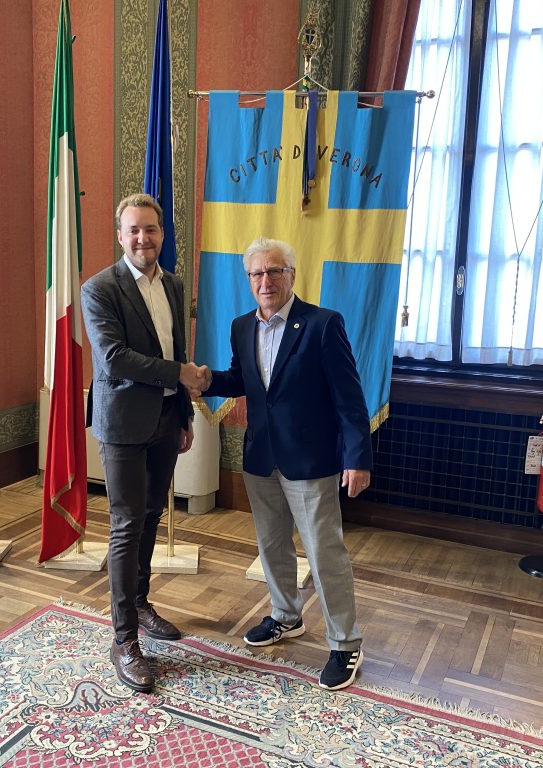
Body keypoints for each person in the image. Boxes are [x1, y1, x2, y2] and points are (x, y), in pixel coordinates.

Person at [201, 236, 373, 691]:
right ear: (249, 280)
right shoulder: (241, 326)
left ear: (291, 275)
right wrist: (205, 380)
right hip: (261, 457)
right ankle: (285, 615)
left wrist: (357, 457)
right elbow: (241, 380)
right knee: (272, 545)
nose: (266, 281)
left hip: (311, 461)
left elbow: (349, 398)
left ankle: (345, 643)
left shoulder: (322, 324)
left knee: (324, 551)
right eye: (257, 273)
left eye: (274, 271)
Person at [80, 192, 208, 694]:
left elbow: (176, 347)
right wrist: (180, 375)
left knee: (152, 515)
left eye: (150, 229)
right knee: (126, 524)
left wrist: (184, 414)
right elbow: (114, 358)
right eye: (133, 230)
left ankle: (139, 602)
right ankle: (123, 639)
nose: (142, 238)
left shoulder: (173, 284)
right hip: (122, 426)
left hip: (165, 422)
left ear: (161, 233)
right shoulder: (99, 289)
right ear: (120, 236)